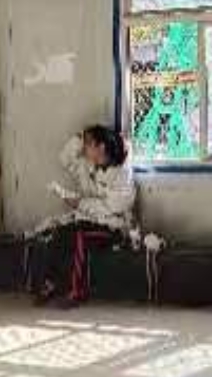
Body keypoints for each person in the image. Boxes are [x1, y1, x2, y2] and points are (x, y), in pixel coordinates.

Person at [31, 125, 136, 309]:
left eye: (88, 144)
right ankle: (50, 284)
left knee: (79, 237)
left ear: (101, 147)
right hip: (88, 220)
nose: (84, 148)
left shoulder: (122, 175)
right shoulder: (87, 166)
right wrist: (80, 137)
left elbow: (111, 208)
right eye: (84, 143)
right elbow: (64, 159)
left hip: (113, 228)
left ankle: (76, 293)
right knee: (60, 233)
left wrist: (80, 203)